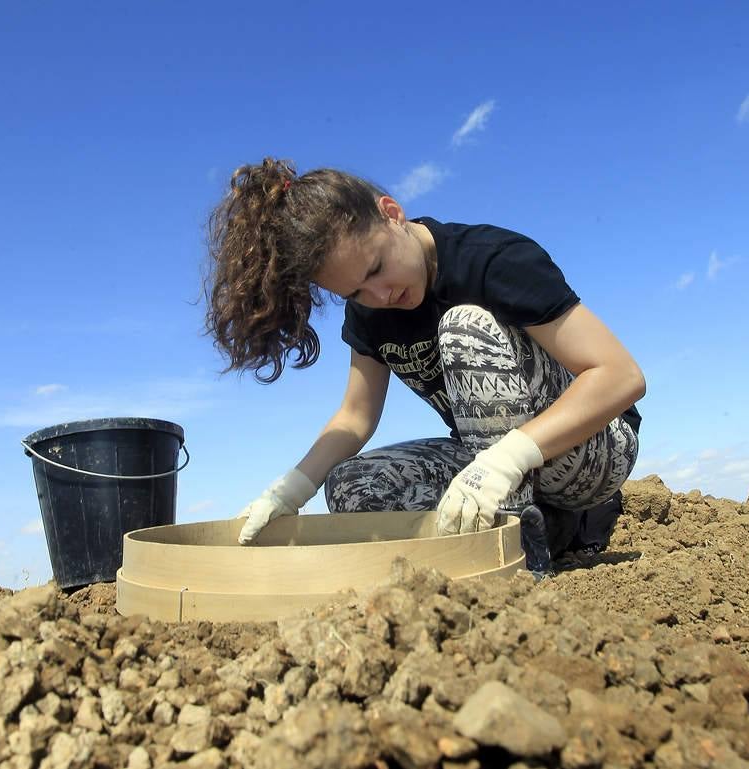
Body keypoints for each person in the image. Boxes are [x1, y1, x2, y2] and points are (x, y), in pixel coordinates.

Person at [204, 157, 645, 572]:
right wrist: (292, 489)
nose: (379, 296)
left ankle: (512, 559)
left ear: (392, 213)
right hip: (488, 463)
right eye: (354, 292)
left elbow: (619, 377)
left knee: (463, 326)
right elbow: (356, 416)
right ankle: (547, 527)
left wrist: (508, 459)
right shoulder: (370, 312)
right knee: (352, 486)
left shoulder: (491, 259)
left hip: (591, 450)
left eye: (376, 268)